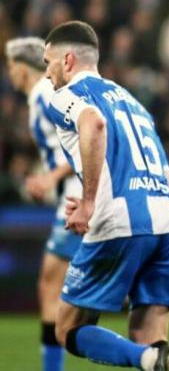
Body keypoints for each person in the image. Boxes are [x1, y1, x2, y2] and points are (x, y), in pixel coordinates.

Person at [44, 20, 169, 370]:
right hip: (167, 219)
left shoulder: (66, 96)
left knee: (68, 328)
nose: (47, 75)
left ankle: (146, 358)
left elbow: (93, 123)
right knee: (151, 338)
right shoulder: (133, 102)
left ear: (68, 60)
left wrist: (92, 201)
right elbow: (166, 173)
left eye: (48, 63)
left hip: (120, 221)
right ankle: (154, 357)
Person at [5, 37, 83, 371]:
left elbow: (83, 138)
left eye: (10, 66)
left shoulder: (43, 95)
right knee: (59, 282)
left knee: (52, 283)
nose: (9, 73)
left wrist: (51, 178)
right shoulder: (43, 96)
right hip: (74, 192)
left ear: (22, 68)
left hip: (77, 195)